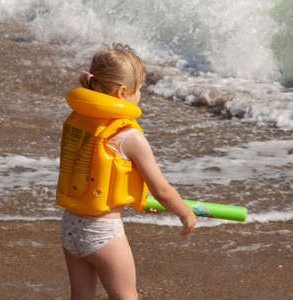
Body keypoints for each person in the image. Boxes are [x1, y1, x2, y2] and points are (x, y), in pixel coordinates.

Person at [58, 44, 197, 300]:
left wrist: (140, 199)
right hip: (103, 233)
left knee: (81, 296)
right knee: (126, 296)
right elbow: (163, 190)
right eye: (140, 89)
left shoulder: (79, 121)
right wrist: (185, 214)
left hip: (70, 228)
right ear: (123, 92)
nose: (140, 94)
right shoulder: (129, 136)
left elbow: (99, 174)